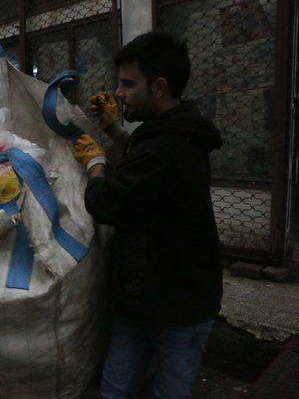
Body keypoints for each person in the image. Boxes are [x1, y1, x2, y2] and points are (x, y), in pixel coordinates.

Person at [73, 31, 223, 398]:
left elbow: (105, 202)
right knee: (115, 388)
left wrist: (95, 164)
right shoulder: (169, 132)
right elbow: (143, 164)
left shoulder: (170, 147)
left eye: (128, 84)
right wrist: (112, 129)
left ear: (158, 87)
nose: (119, 93)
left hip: (178, 306)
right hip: (141, 297)